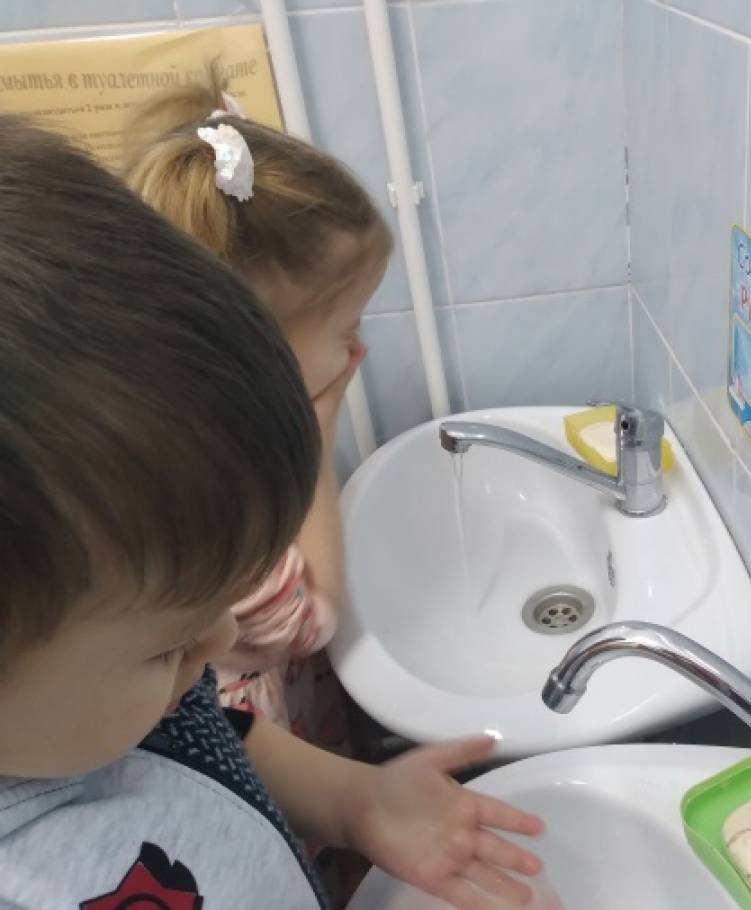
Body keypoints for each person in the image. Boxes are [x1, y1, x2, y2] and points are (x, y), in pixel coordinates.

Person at [0, 114, 541, 909]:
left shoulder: (93, 707)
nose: (219, 642)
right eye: (166, 648)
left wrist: (355, 802)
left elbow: (208, 736)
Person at [123, 68, 391, 748]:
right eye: (347, 327)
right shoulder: (212, 503)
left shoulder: (178, 425)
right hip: (252, 742)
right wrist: (317, 433)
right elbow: (306, 625)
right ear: (257, 348)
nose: (359, 348)